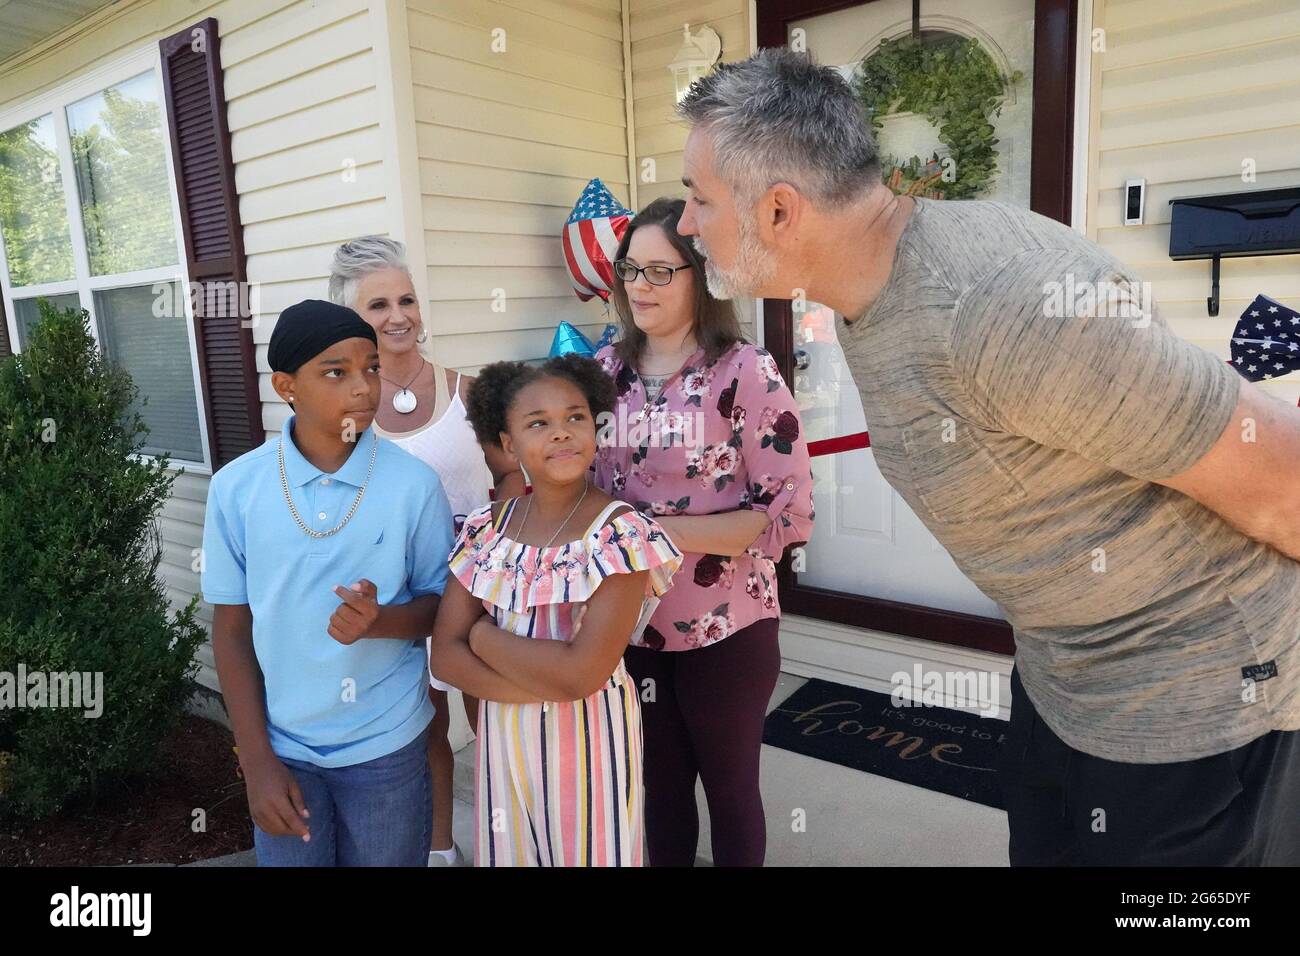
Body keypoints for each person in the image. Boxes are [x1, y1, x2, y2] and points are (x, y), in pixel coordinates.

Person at [672, 48, 1300, 865]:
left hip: (1193, 699)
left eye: (698, 199)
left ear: (782, 211)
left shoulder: (1004, 306)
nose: (686, 225)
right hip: (1061, 673)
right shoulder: (873, 288)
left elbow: (1283, 479)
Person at [590, 196, 815, 866]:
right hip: (631, 623)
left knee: (729, 789)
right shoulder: (604, 374)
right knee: (658, 790)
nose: (641, 287)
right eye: (632, 270)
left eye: (662, 271)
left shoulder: (745, 371)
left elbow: (787, 515)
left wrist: (658, 529)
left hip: (728, 626)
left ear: (701, 275)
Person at [201, 299, 455, 866]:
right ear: (287, 385)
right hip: (284, 748)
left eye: (370, 367)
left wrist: (382, 620)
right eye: (335, 372)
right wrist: (256, 760)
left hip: (387, 743)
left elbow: (443, 606)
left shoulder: (413, 485)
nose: (363, 387)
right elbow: (232, 631)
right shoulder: (237, 489)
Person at [428, 355, 683, 866]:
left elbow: (581, 674)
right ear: (507, 444)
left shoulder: (619, 533)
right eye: (538, 423)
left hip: (590, 749)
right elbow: (443, 660)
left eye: (575, 417)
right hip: (504, 745)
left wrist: (481, 637)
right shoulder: (486, 529)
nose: (561, 433)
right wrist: (555, 678)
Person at [328, 236, 521, 867]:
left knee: (494, 722)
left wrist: (514, 555)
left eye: (406, 299)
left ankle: (508, 841)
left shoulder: (470, 392)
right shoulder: (347, 408)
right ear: (354, 318)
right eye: (378, 304)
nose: (398, 315)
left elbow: (512, 482)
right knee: (426, 727)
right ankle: (440, 847)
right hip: (397, 600)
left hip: (478, 594)